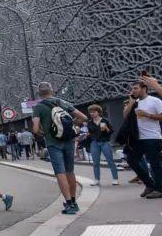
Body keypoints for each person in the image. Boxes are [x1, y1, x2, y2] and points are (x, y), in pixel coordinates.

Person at [32, 82, 88, 214]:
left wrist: (45, 132)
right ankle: (74, 201)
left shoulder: (38, 107)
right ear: (52, 90)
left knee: (60, 173)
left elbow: (35, 128)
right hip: (69, 140)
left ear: (39, 93)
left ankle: (68, 203)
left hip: (53, 143)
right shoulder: (62, 102)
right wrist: (71, 125)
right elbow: (83, 117)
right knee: (70, 171)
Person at [124, 79, 162, 198]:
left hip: (152, 137)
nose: (133, 91)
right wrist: (131, 103)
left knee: (155, 163)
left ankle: (159, 190)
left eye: (135, 88)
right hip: (137, 138)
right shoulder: (134, 102)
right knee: (131, 159)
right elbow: (125, 116)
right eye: (132, 88)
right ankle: (149, 184)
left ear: (144, 89)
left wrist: (147, 115)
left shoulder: (154, 100)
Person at [86, 105, 119, 186]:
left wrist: (107, 129)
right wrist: (87, 135)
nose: (92, 113)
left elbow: (111, 131)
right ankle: (97, 180)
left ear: (98, 112)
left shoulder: (104, 120)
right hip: (94, 143)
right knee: (95, 162)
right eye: (91, 112)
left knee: (110, 161)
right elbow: (90, 133)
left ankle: (115, 179)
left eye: (94, 112)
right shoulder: (89, 122)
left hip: (104, 142)